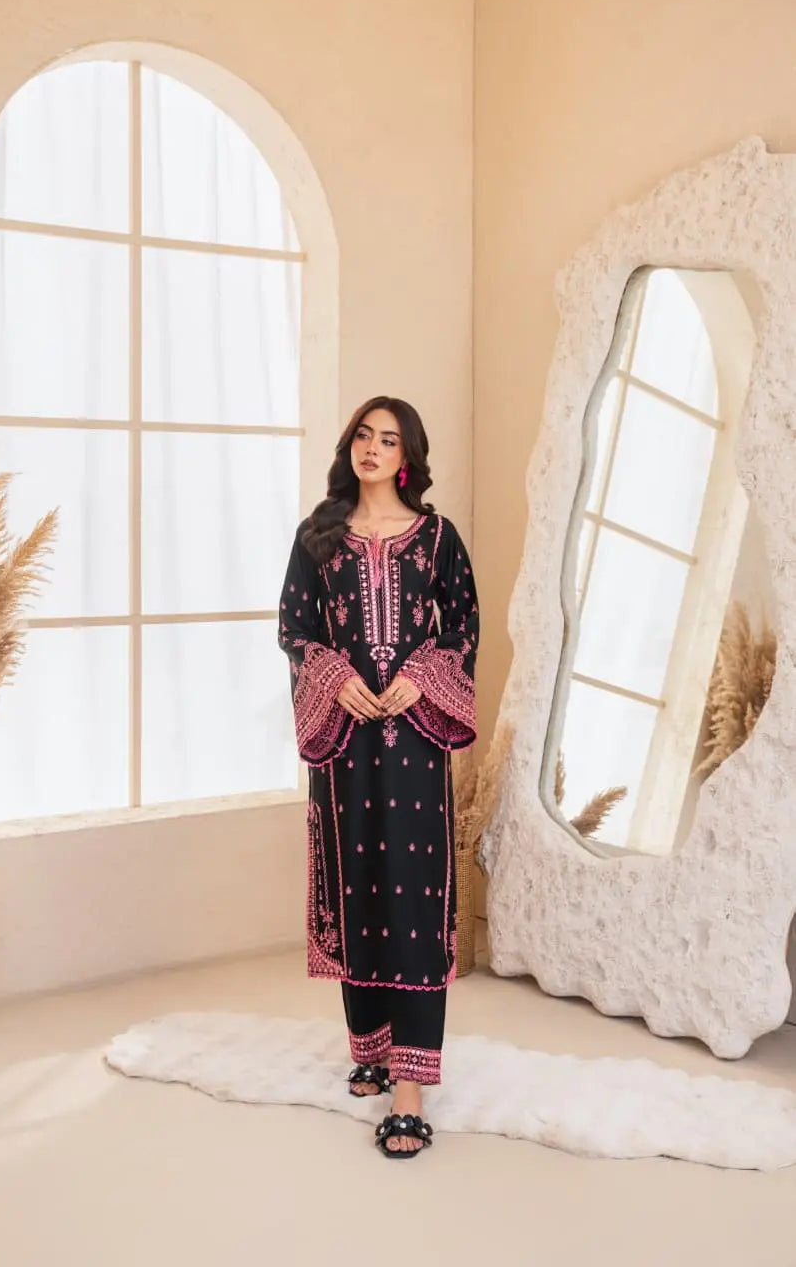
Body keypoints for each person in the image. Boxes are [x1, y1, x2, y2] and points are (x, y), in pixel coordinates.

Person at [277, 396, 478, 1158]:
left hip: (415, 745)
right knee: (357, 881)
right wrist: (331, 677)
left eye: (387, 439)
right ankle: (368, 1045)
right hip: (346, 742)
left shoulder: (436, 539)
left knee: (411, 893)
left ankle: (409, 1084)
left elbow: (462, 624)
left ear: (406, 458)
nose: (371, 447)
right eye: (362, 433)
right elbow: (293, 627)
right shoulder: (318, 537)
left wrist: (423, 677)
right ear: (349, 447)